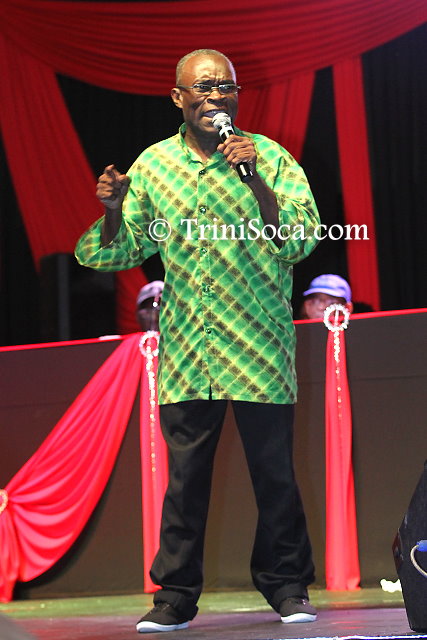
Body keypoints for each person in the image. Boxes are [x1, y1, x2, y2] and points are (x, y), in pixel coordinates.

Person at [75, 48, 321, 633]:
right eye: (204, 87)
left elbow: (301, 240)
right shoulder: (155, 165)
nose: (216, 97)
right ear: (178, 98)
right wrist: (113, 210)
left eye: (225, 87)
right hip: (190, 348)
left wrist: (256, 181)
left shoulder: (270, 157)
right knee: (185, 481)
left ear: (237, 94)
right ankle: (175, 596)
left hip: (260, 345)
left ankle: (288, 587)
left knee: (275, 476)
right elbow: (113, 252)